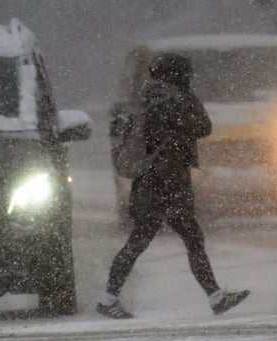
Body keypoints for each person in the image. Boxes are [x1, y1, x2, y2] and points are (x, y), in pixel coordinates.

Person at [97, 53, 249, 320]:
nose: (190, 78)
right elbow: (203, 127)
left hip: (151, 180)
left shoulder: (147, 97)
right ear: (177, 74)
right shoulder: (170, 99)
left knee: (147, 240)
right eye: (186, 74)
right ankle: (109, 299)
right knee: (179, 239)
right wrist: (189, 98)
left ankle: (110, 298)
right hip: (166, 181)